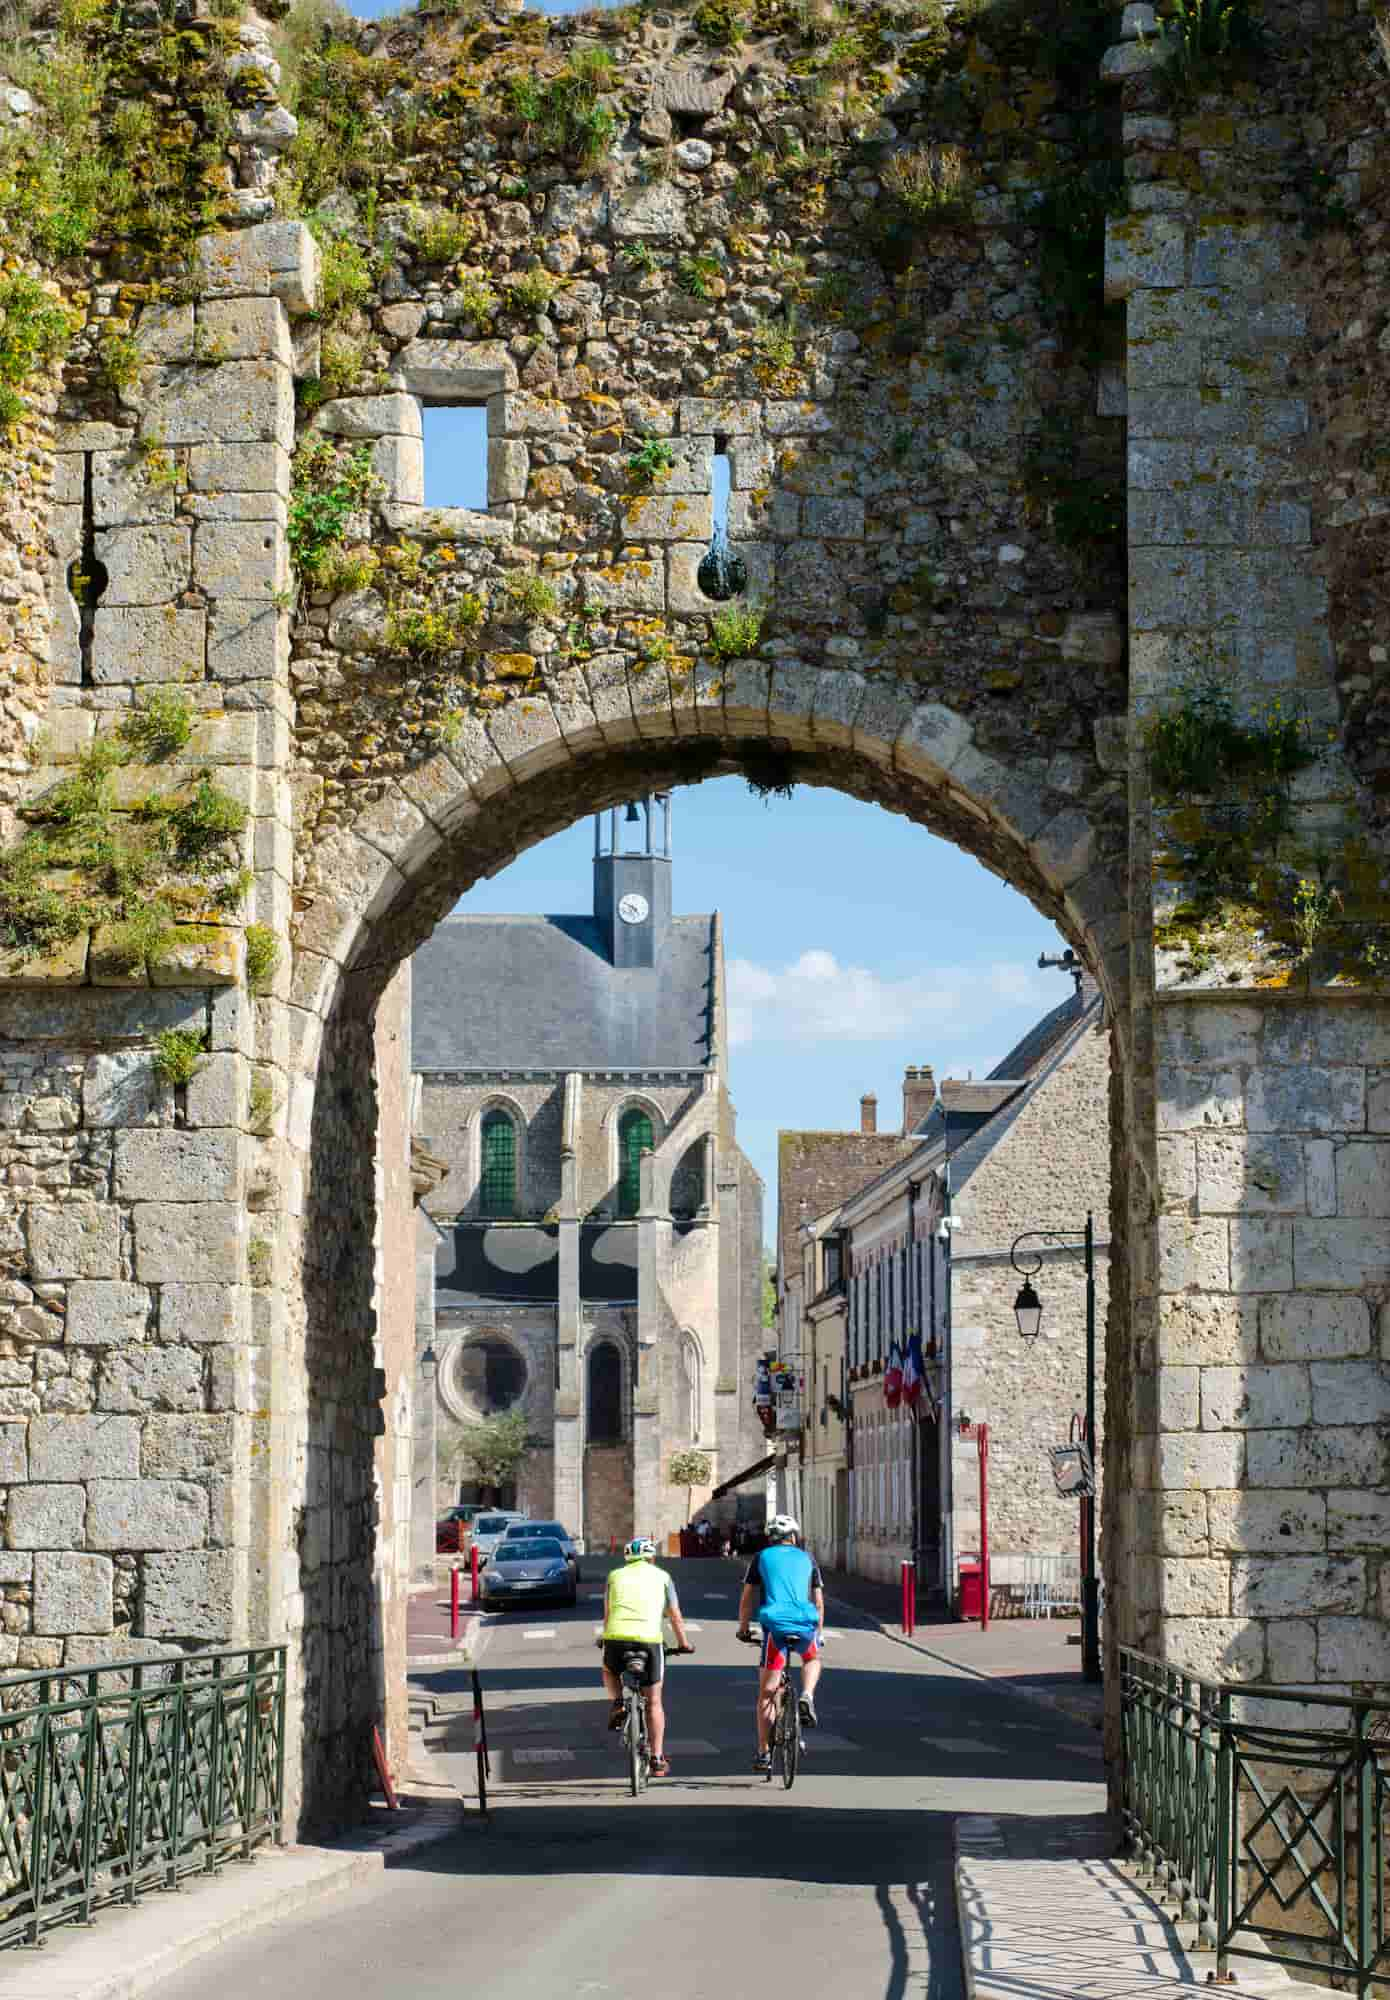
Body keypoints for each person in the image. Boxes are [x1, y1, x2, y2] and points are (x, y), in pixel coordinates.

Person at [735, 1513, 824, 1775]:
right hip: (805, 1622)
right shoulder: (808, 1559)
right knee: (811, 1658)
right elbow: (818, 1601)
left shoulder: (761, 1557)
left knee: (766, 1694)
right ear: (794, 1536)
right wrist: (818, 1632)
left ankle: (763, 1753)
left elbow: (747, 1598)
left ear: (770, 1538)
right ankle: (807, 1695)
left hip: (775, 1627)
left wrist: (742, 1629)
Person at [600, 1535, 693, 1779]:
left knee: (609, 1670)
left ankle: (618, 1702)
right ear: (651, 1557)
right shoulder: (663, 1577)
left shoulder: (614, 1576)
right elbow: (674, 1614)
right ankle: (657, 1757)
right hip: (649, 1641)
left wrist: (605, 1637)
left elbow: (609, 1613)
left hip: (617, 1638)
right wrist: (684, 1644)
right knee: (654, 1702)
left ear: (627, 1558)